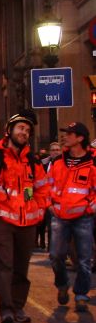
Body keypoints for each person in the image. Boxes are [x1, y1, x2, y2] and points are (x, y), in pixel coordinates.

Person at [0, 110, 49, 323]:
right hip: (1, 220)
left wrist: (39, 211)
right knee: (4, 266)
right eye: (21, 128)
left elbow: (41, 190)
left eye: (28, 130)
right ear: (9, 131)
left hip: (28, 223)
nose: (25, 133)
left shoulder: (34, 162)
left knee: (22, 267)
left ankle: (18, 305)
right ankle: (7, 310)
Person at [46, 122, 96, 312]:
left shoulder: (93, 163)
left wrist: (89, 208)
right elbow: (46, 186)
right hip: (59, 216)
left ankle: (81, 294)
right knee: (56, 256)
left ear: (80, 138)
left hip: (83, 217)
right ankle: (62, 284)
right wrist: (49, 206)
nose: (65, 136)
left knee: (84, 259)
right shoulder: (57, 162)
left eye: (69, 134)